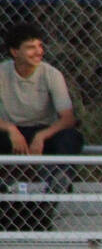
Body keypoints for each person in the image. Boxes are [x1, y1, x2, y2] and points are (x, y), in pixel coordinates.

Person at [0, 21, 83, 192]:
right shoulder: (2, 72)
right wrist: (10, 129)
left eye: (40, 46)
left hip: (44, 131)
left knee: (71, 136)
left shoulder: (51, 74)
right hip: (12, 134)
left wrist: (42, 136)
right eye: (31, 47)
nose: (39, 51)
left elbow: (68, 118)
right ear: (15, 52)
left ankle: (59, 180)